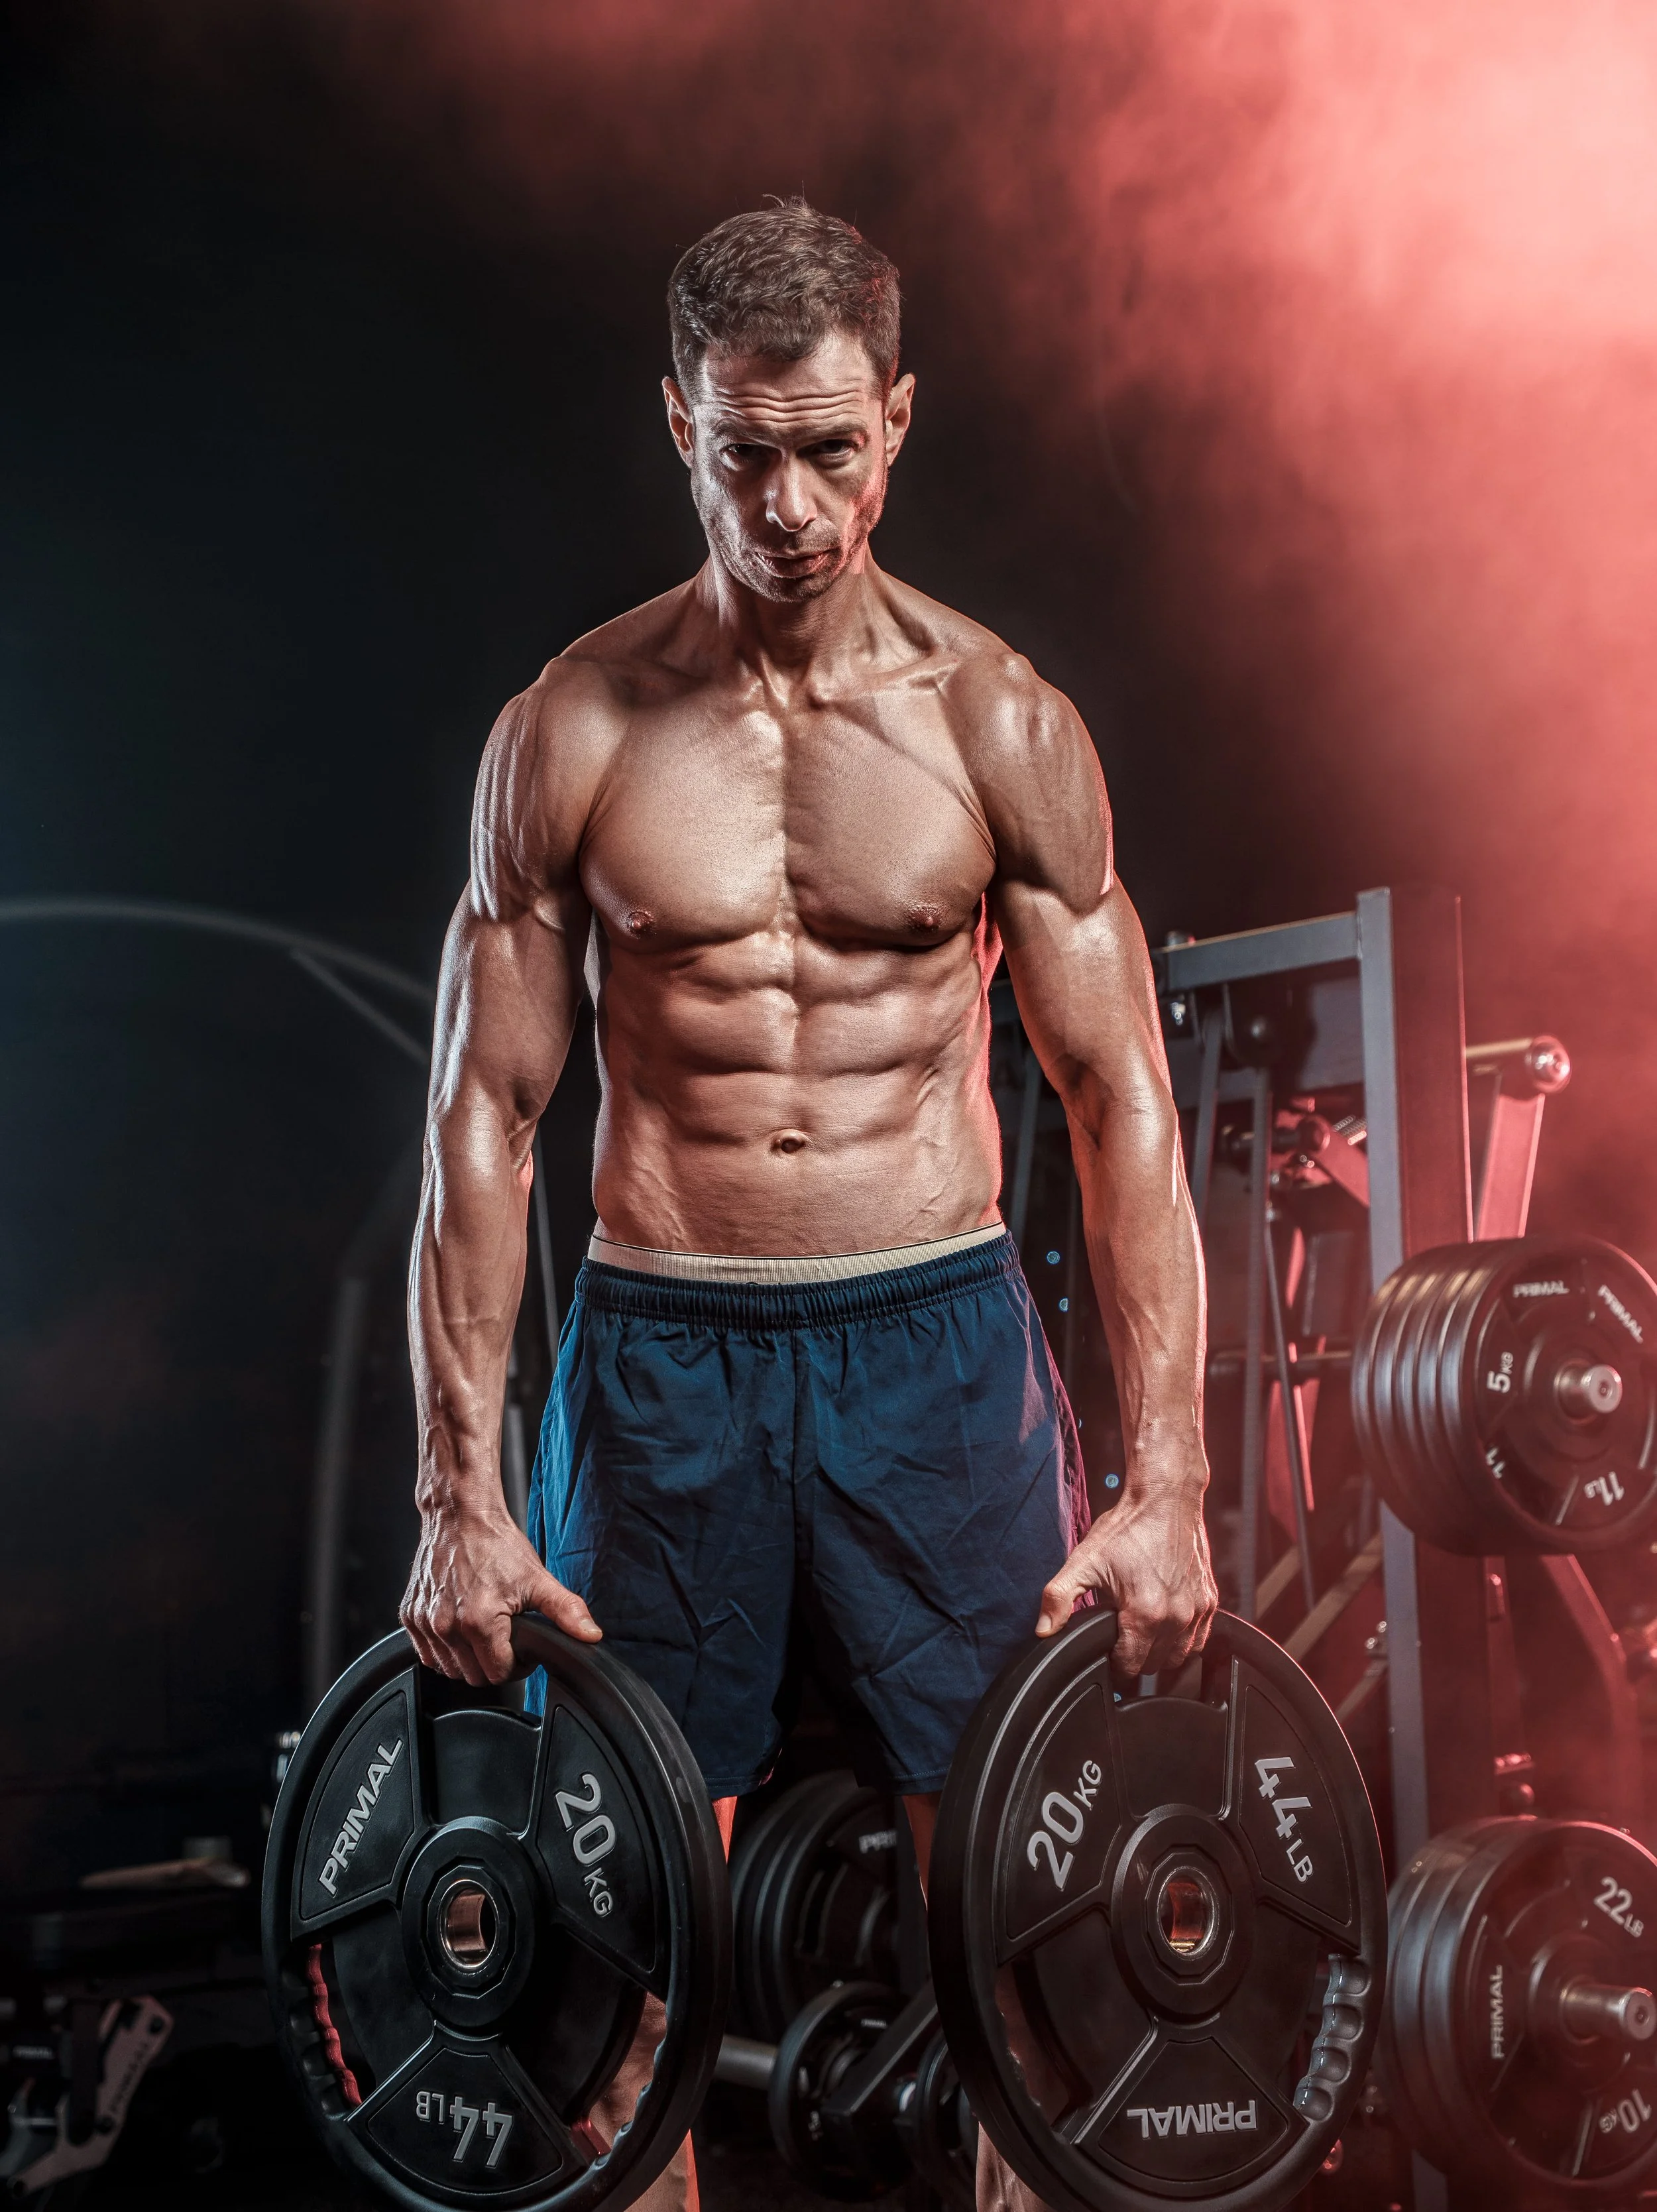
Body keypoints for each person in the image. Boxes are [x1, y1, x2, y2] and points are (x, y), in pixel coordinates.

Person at [400, 200, 1217, 2211]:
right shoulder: (570, 733)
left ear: (900, 426)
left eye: (831, 450)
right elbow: (481, 1121)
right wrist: (457, 1496)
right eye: (744, 448)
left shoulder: (997, 724)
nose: (788, 501)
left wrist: (1173, 1476)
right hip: (664, 1348)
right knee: (617, 1971)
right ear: (674, 419)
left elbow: (1117, 1101)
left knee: (1024, 1945)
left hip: (932, 1341)